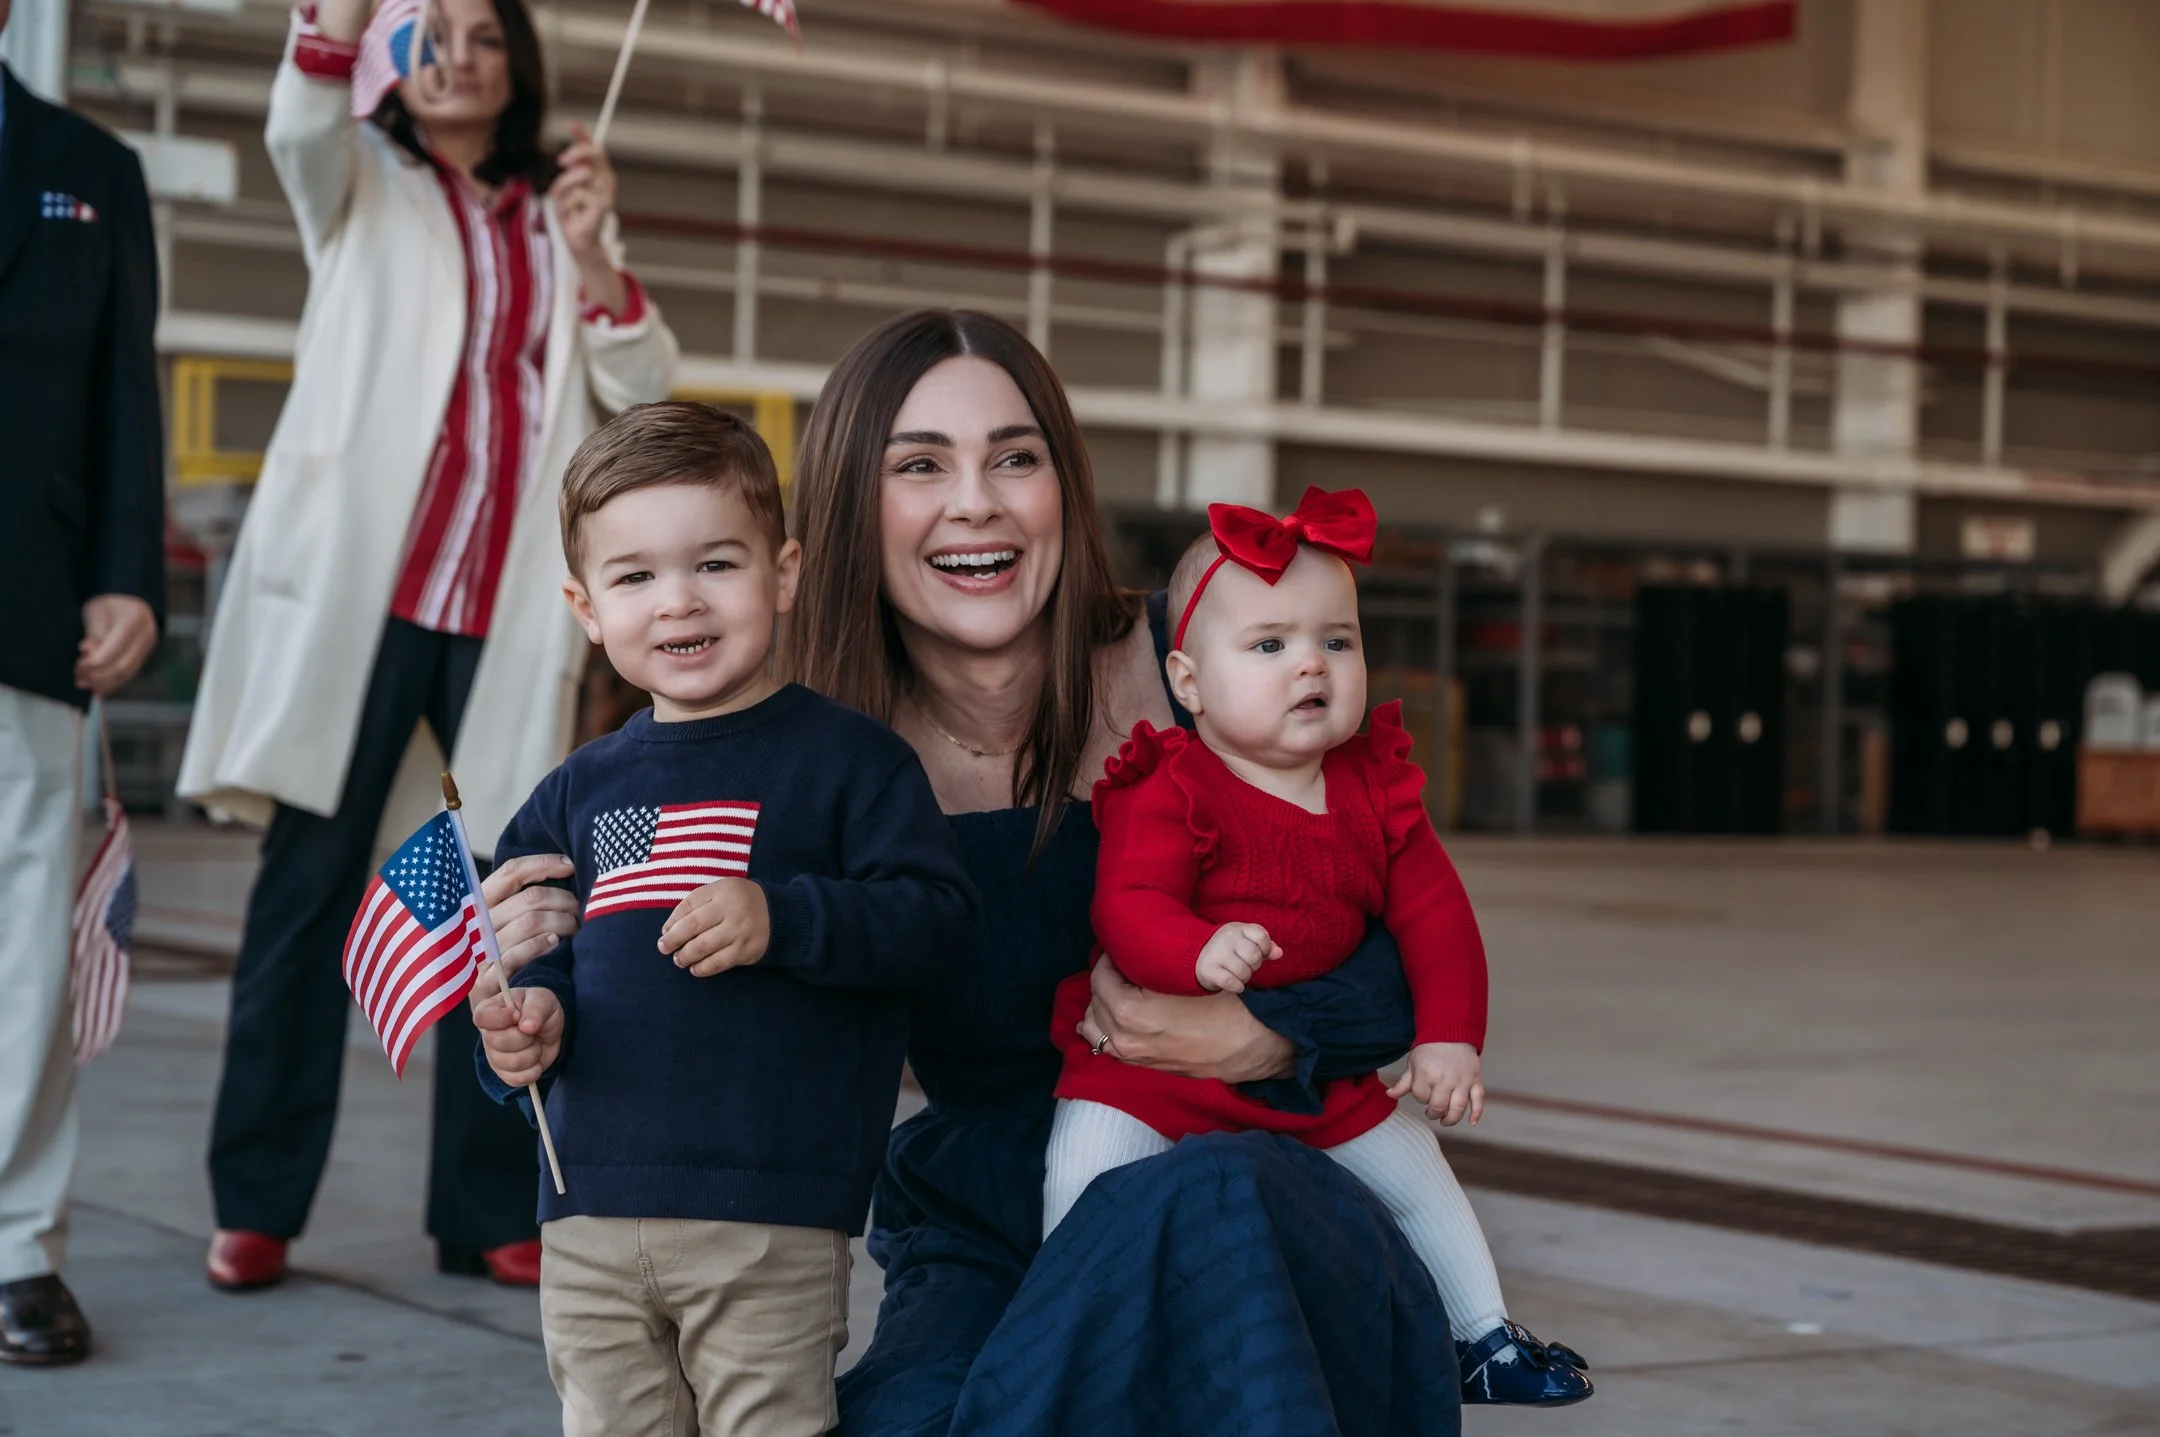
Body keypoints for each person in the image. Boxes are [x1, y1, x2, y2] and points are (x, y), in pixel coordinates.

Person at [484, 310, 1483, 1435]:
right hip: (994, 1214)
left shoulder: (1217, 657)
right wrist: (532, 1002)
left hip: (1263, 1178)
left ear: (1065, 483)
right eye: (921, 466)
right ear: (849, 512)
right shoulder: (805, 756)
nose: (978, 502)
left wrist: (1274, 1035)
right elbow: (661, 1004)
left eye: (1017, 457)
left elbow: (1418, 934)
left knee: (1212, 1202)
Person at [176, 0, 678, 1292]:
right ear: (393, 58)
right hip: (366, 604)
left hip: (498, 609)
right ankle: (256, 1202)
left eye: (488, 37)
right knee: (306, 892)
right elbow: (298, 114)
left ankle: (482, 1203)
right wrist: (336, 19)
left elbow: (646, 388)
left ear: (521, 69)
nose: (461, 53)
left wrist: (597, 257)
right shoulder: (358, 182)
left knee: (492, 901)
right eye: (433, 30)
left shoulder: (554, 212)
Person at [473, 402, 978, 1435]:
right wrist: (516, 1032)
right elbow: (528, 961)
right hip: (587, 1212)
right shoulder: (575, 791)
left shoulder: (851, 765)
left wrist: (784, 918)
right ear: (585, 606)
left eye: (715, 564)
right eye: (635, 577)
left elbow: (937, 923)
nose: (677, 603)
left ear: (782, 573)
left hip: (770, 1213)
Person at [1043, 493, 1591, 1406]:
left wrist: (1452, 1036)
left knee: (1420, 1175)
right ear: (1188, 680)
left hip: (1312, 1079)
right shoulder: (1174, 786)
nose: (1311, 664)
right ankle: (1064, 1322)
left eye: (1336, 641)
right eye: (1269, 646)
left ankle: (1481, 1336)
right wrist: (1196, 950)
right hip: (1150, 1072)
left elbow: (1439, 919)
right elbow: (1128, 903)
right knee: (1083, 1167)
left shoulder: (1375, 791)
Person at [0, 17, 164, 1367]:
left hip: (26, 608)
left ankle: (14, 1247)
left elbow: (125, 395)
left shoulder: (89, 168)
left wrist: (128, 574)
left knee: (24, 956)